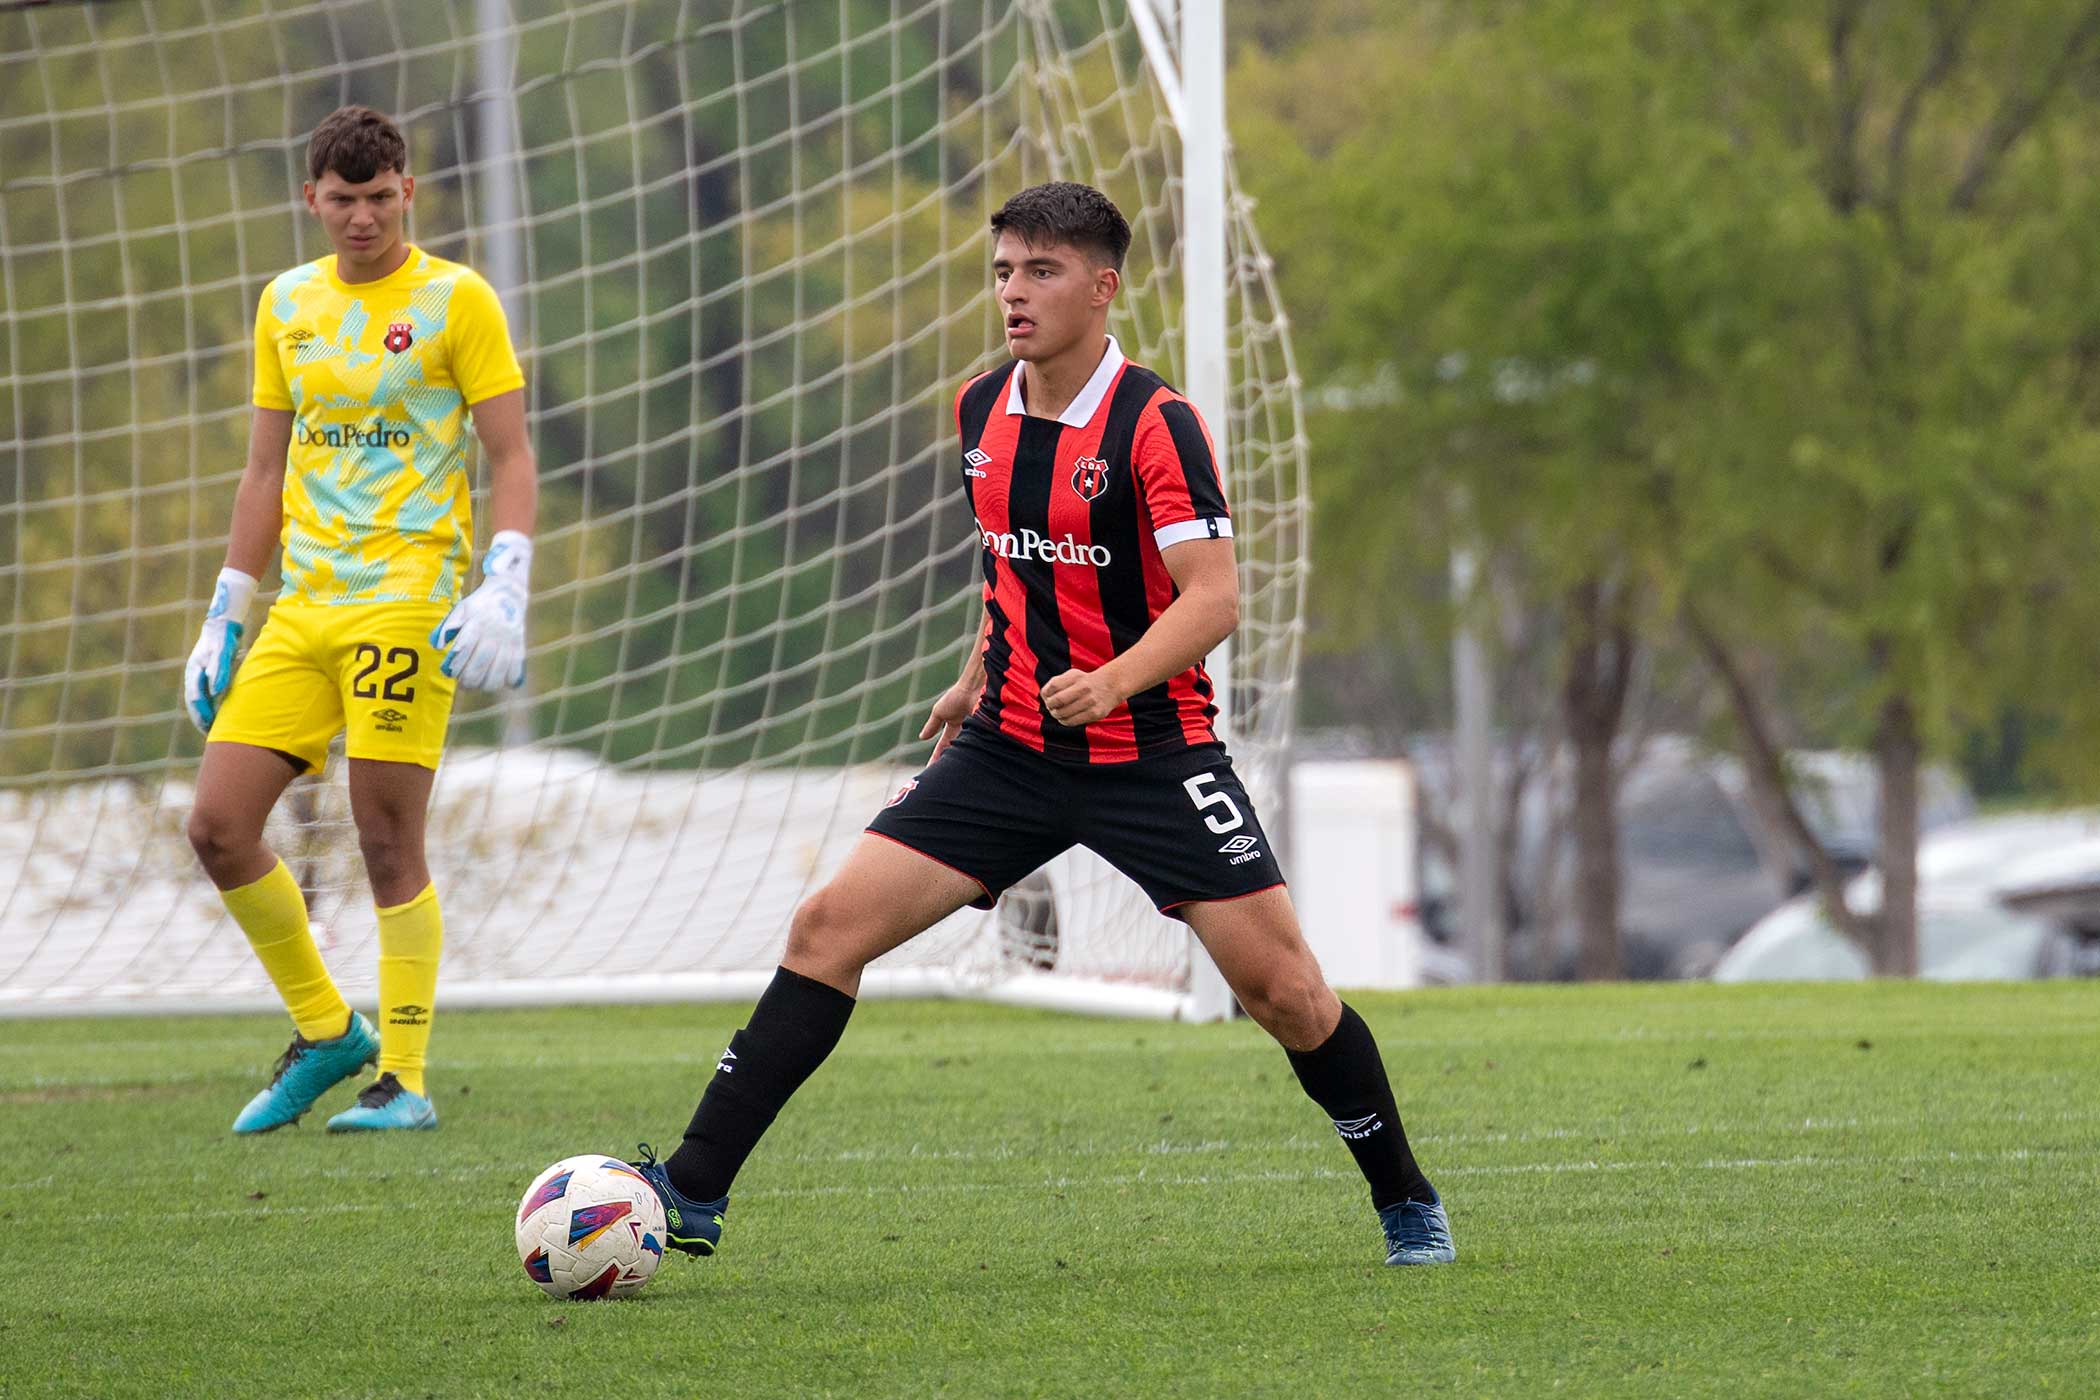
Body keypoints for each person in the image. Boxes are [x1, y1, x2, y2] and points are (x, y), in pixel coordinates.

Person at [629, 181, 1453, 1266]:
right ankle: (692, 1187)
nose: (1014, 293)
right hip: (1009, 748)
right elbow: (1013, 568)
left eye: (1042, 271)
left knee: (1287, 994)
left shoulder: (1156, 424)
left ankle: (1406, 1199)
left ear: (1103, 288)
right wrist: (975, 676)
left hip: (1153, 755)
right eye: (1004, 271)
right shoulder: (980, 408)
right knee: (826, 929)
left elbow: (1213, 598)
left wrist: (1112, 682)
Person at [182, 105, 537, 1135]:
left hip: (407, 601)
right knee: (216, 825)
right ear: (312, 199)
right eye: (343, 200)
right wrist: (226, 609)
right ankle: (329, 1030)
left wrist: (506, 580)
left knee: (386, 837)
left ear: (407, 191)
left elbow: (511, 454)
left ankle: (407, 1079)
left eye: (381, 197)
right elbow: (263, 470)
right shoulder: (286, 302)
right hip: (303, 608)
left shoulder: (457, 300)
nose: (363, 218)